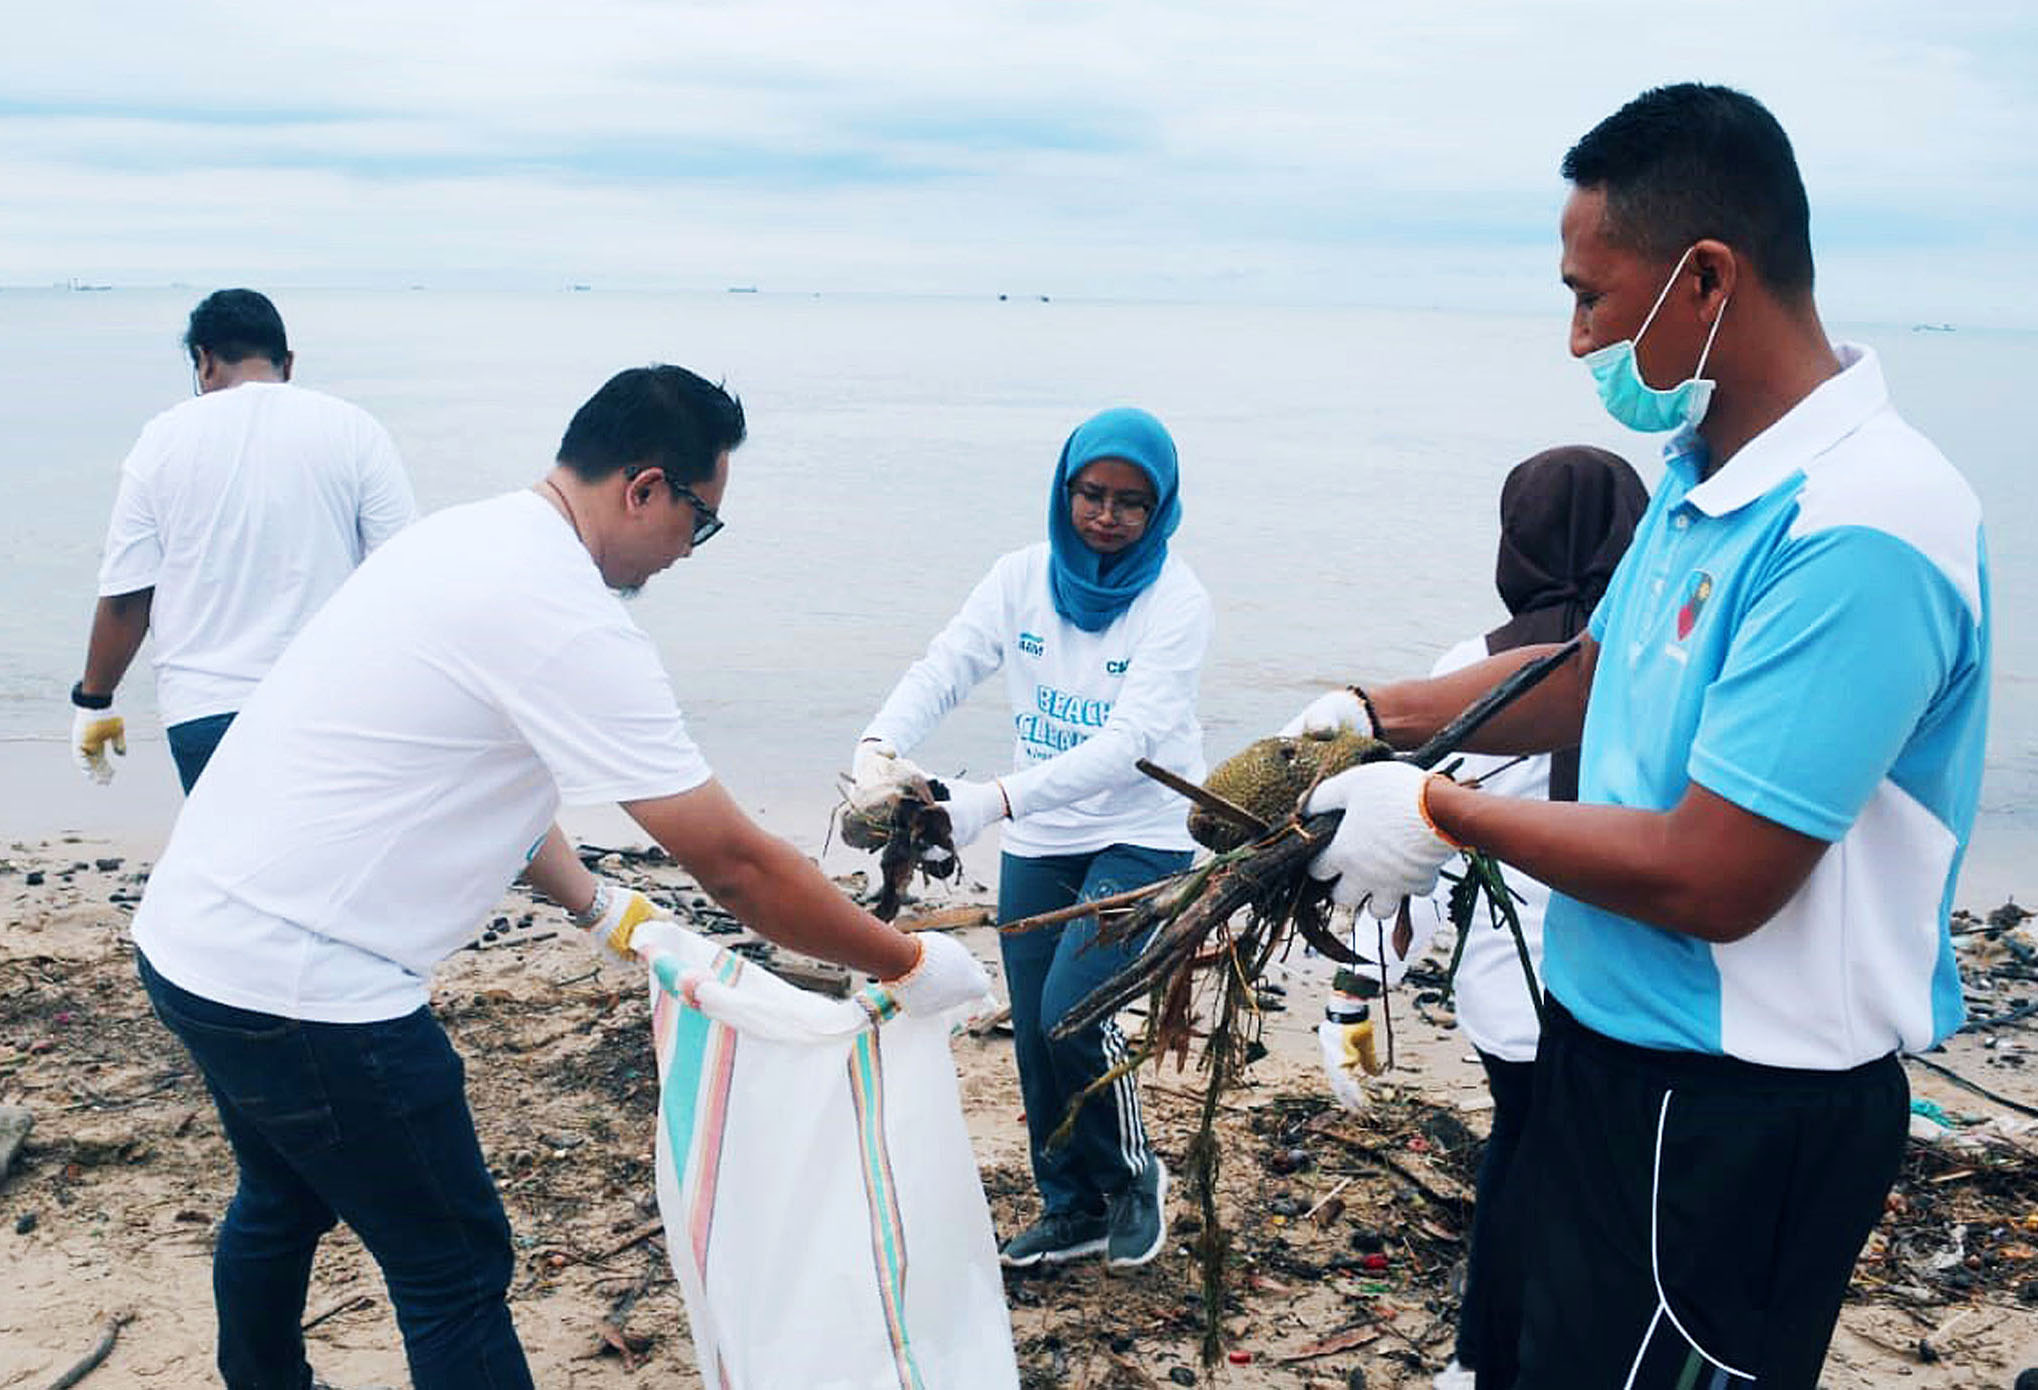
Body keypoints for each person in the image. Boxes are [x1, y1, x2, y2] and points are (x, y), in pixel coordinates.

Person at [1290, 84, 1989, 1389]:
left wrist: (1439, 814)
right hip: (1601, 1055)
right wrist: (1375, 716)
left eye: (1589, 297)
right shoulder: (1701, 469)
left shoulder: (1865, 526)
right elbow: (1602, 669)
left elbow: (1713, 874)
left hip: (1734, 1108)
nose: (1573, 342)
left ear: (1705, 278)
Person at [128, 364, 990, 1390]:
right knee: (452, 1265)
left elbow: (484, 772)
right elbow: (736, 862)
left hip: (190, 944)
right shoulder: (564, 614)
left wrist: (601, 906)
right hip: (308, 989)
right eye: (699, 522)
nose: (688, 552)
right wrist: (905, 960)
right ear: (646, 487)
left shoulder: (465, 539)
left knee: (284, 1196)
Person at [1312, 446, 1647, 1390]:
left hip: (1513, 987)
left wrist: (1357, 989)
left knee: (1522, 1167)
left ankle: (1482, 1359)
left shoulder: (1473, 668)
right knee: (1601, 1188)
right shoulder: (1653, 665)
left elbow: (1402, 848)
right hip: (1633, 981)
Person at [847, 406, 1211, 1270]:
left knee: (1071, 1013)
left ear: (1159, 510)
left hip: (1143, 833)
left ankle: (1131, 1179)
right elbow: (946, 666)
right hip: (1041, 834)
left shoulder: (1177, 601)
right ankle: (1072, 1205)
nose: (1107, 515)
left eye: (1131, 501)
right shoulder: (1020, 579)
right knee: (1036, 1038)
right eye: (1092, 494)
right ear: (1064, 489)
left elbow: (1127, 749)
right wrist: (877, 748)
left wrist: (985, 803)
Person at [69, 288, 418, 792]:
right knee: (328, 863)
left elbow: (127, 595)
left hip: (204, 711)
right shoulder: (355, 430)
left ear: (204, 361)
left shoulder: (162, 440)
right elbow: (403, 576)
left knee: (234, 866)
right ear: (288, 363)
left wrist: (94, 702)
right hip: (331, 702)